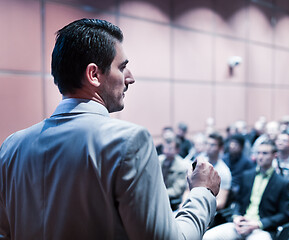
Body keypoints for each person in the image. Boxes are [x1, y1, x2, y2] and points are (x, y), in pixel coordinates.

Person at [0, 18, 221, 240]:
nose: (130, 78)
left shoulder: (11, 146)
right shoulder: (129, 142)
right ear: (94, 74)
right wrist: (202, 193)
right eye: (122, 67)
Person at [203, 140, 289, 240]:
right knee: (207, 237)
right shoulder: (247, 175)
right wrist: (236, 216)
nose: (260, 156)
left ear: (274, 156)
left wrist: (259, 224)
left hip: (261, 229)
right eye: (258, 153)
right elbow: (238, 202)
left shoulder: (283, 183)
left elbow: (285, 215)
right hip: (240, 224)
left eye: (265, 153)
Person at [159, 138, 189, 211]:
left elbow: (176, 191)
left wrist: (158, 193)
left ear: (177, 150)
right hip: (160, 198)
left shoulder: (181, 166)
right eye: (165, 148)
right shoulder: (159, 160)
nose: (166, 151)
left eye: (170, 148)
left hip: (172, 202)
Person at [204, 132, 232, 210]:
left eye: (212, 145)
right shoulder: (199, 163)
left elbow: (221, 202)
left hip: (208, 211)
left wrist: (202, 208)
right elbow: (188, 190)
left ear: (220, 148)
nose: (208, 147)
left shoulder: (224, 171)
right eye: (207, 144)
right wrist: (183, 203)